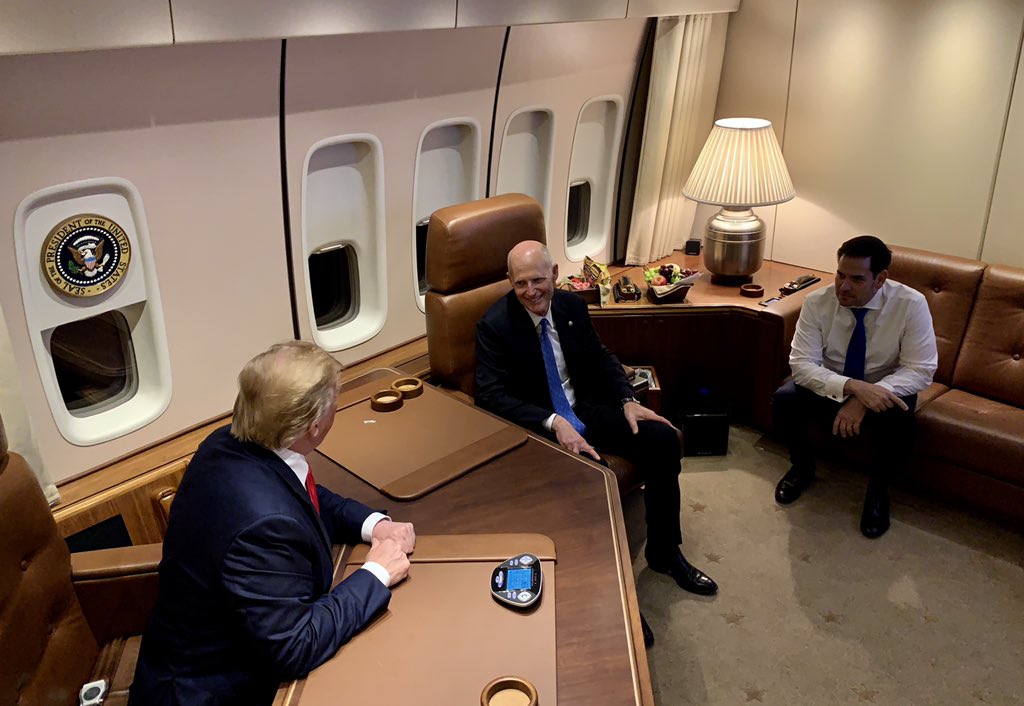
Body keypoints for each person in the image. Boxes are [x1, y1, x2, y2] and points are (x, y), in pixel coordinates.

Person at [130, 341, 415, 706]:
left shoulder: (227, 443)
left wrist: (372, 524)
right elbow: (295, 646)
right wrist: (376, 572)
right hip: (213, 689)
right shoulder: (264, 525)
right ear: (314, 426)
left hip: (199, 650)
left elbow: (302, 496)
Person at [475, 240, 717, 610]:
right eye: (520, 283)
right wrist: (553, 422)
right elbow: (490, 396)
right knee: (596, 475)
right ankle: (611, 592)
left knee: (664, 440)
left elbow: (601, 357)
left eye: (538, 280)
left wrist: (627, 401)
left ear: (555, 274)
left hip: (585, 408)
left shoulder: (571, 305)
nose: (531, 291)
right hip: (542, 428)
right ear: (510, 280)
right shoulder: (495, 325)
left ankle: (665, 552)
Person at [772, 235, 937, 538]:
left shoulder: (911, 305)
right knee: (785, 399)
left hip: (883, 386)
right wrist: (854, 389)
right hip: (833, 382)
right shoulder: (817, 302)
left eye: (857, 279)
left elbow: (921, 370)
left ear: (880, 279)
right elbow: (802, 365)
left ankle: (878, 491)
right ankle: (802, 467)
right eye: (840, 275)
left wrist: (864, 398)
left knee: (900, 415)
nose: (843, 287)